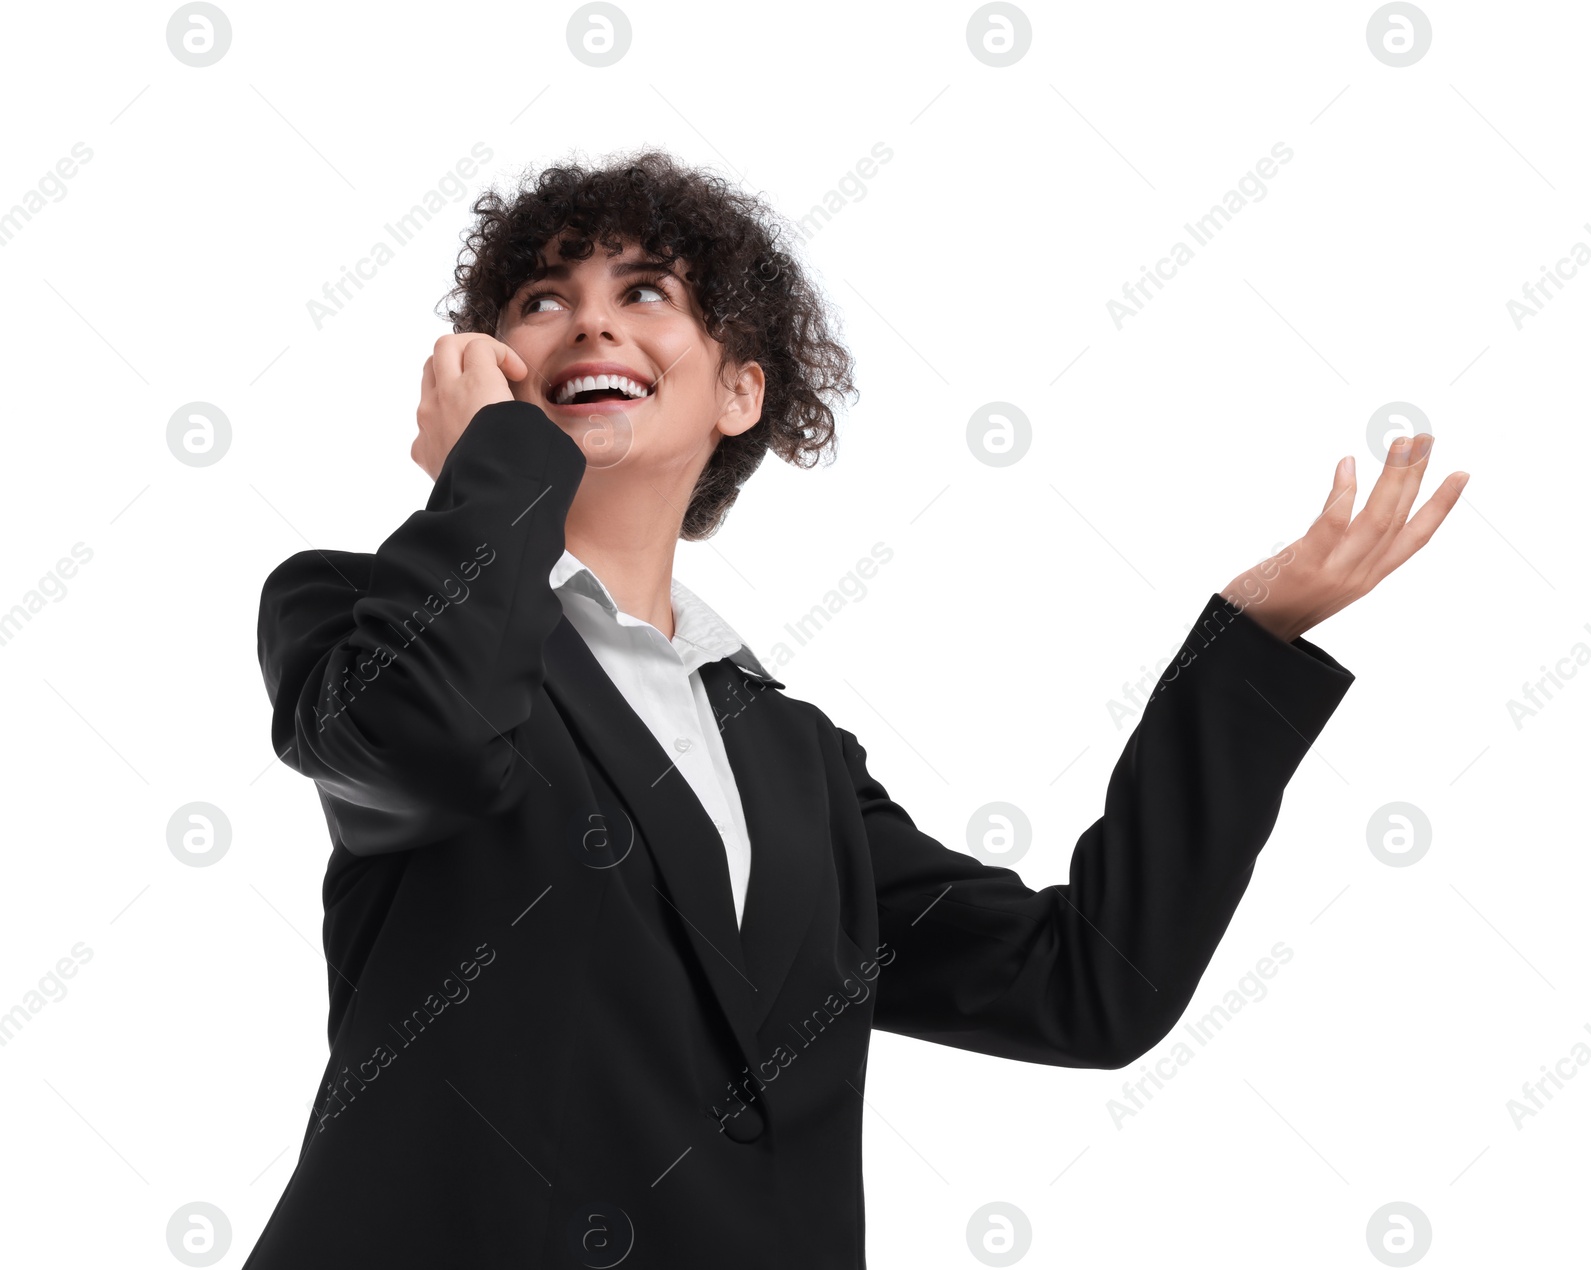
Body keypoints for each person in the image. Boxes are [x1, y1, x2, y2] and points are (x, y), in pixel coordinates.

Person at [245, 149, 1467, 1268]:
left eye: (646, 291)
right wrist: (492, 471)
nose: (591, 319)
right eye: (543, 300)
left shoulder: (794, 761)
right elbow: (425, 742)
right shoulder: (355, 615)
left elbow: (1087, 987)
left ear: (738, 392)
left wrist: (1249, 647)